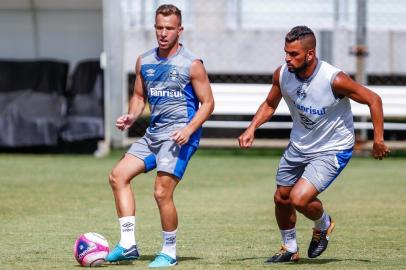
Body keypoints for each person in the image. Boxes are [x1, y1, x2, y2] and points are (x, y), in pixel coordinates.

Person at [238, 25, 390, 263]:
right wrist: (251, 128)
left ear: (310, 54)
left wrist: (378, 139)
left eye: (294, 54)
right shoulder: (282, 74)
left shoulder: (334, 79)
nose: (288, 58)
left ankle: (324, 224)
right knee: (282, 198)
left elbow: (374, 99)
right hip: (299, 145)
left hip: (333, 148)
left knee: (299, 198)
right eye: (286, 53)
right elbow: (270, 104)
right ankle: (289, 249)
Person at [106, 4, 214, 268]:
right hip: (153, 135)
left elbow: (208, 103)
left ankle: (169, 252)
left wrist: (188, 130)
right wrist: (131, 116)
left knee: (161, 192)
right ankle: (128, 244)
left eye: (169, 28)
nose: (163, 33)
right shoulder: (145, 61)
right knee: (118, 176)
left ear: (180, 30)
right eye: (159, 27)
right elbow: (139, 96)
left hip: (179, 136)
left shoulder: (192, 64)